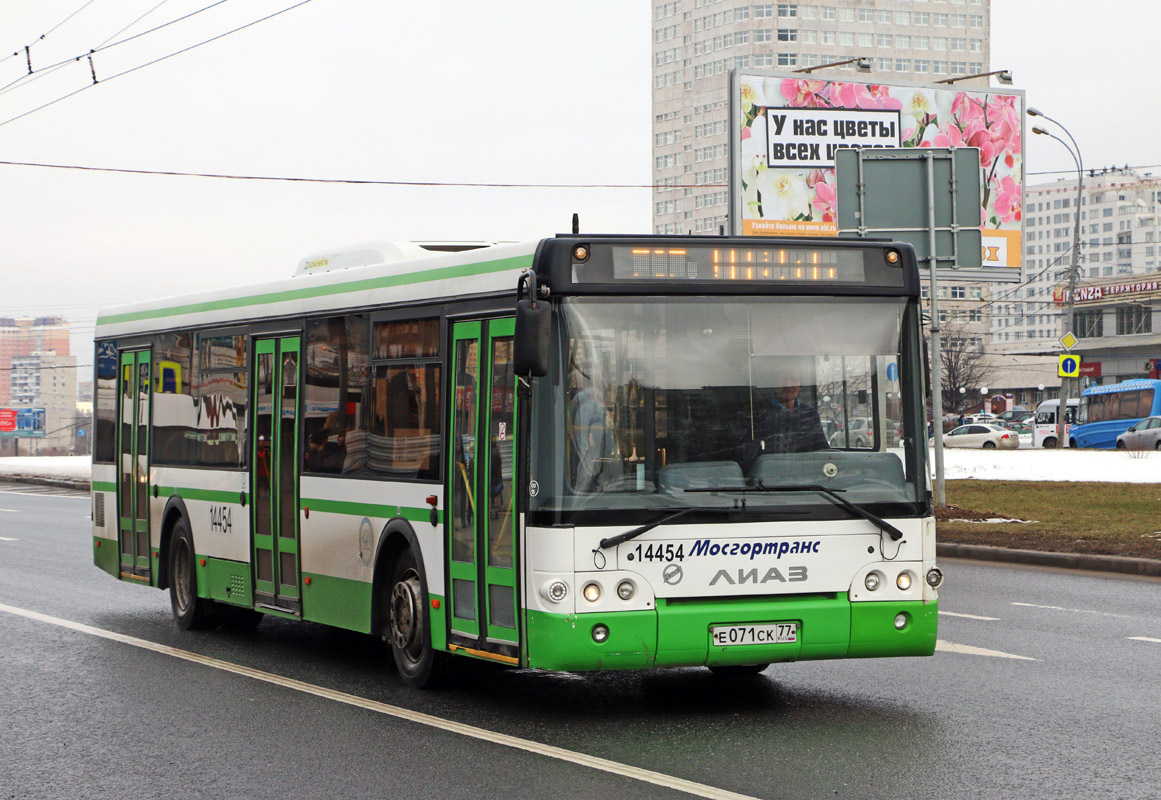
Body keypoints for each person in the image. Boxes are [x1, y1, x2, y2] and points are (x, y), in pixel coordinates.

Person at [756, 365, 828, 453]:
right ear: (773, 384)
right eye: (783, 380)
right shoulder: (759, 413)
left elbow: (822, 449)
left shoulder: (810, 413)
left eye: (794, 380)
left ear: (800, 386)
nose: (788, 385)